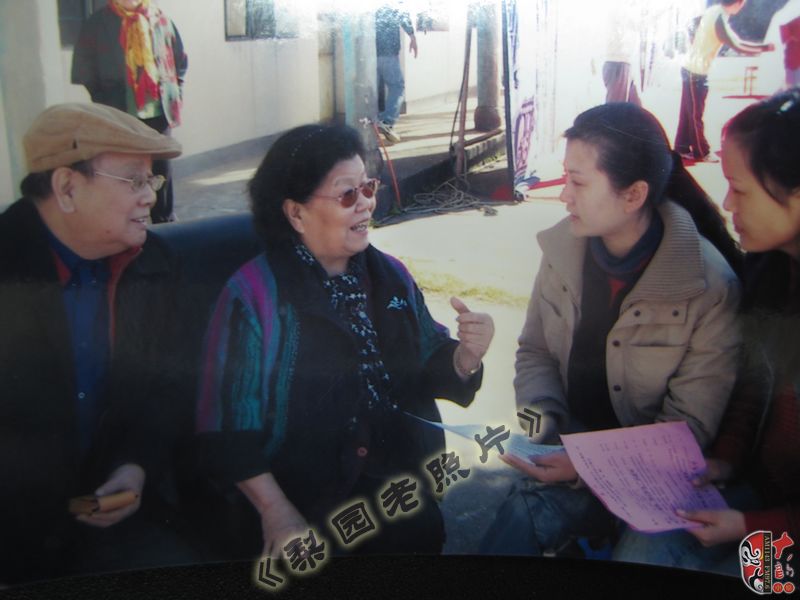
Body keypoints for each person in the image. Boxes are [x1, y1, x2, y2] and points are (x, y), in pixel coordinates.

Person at [195, 123, 494, 558]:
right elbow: (227, 428)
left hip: (401, 494)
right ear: (296, 214)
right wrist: (276, 510)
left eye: (368, 187)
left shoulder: (390, 274)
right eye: (347, 195)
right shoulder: (254, 296)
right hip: (305, 506)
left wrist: (466, 357)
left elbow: (429, 354)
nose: (367, 204)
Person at [478, 103, 743, 557]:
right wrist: (545, 428)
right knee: (520, 516)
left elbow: (687, 429)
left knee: (639, 555)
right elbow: (535, 351)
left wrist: (584, 466)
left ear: (634, 195)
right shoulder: (562, 250)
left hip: (660, 478)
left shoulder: (708, 285)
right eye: (565, 177)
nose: (564, 196)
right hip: (570, 446)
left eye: (579, 183)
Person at [0, 103, 197, 584]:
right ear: (67, 188)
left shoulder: (154, 265)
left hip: (115, 518)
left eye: (152, 180)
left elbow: (168, 387)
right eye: (133, 180)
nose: (150, 196)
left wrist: (136, 466)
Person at [613, 89, 800, 578]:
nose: (727, 203)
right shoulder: (772, 273)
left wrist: (751, 527)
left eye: (740, 189)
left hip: (779, 526)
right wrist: (723, 462)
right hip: (759, 499)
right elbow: (753, 388)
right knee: (646, 545)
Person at [71, 0, 188, 223]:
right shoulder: (98, 23)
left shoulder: (161, 20)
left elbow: (180, 61)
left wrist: (176, 92)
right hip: (120, 111)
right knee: (122, 169)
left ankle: (164, 221)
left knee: (161, 169)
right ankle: (126, 220)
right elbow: (84, 69)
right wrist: (102, 97)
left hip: (158, 110)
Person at [675, 0, 772, 162]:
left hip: (692, 68)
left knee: (688, 112)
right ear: (738, 3)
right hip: (695, 71)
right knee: (694, 114)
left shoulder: (715, 12)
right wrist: (764, 48)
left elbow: (696, 25)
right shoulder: (719, 19)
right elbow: (737, 45)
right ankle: (702, 152)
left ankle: (681, 147)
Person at [375, 4, 418, 144]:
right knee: (397, 87)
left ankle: (374, 123)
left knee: (371, 90)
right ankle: (387, 121)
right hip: (387, 52)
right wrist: (412, 36)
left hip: (368, 53)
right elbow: (403, 14)